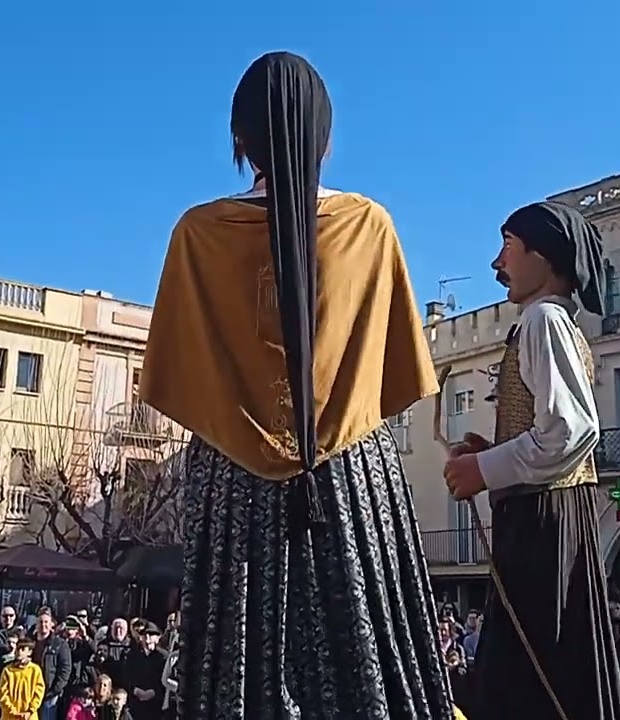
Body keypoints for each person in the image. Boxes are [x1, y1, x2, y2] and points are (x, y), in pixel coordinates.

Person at [140, 51, 454, 719]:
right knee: (363, 646)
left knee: (235, 652)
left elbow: (175, 373)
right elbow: (396, 363)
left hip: (230, 478)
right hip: (346, 469)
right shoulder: (369, 225)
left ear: (239, 139)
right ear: (326, 136)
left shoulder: (197, 233)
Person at [442, 201, 620, 720]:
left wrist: (484, 470)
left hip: (543, 519)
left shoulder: (544, 319)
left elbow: (571, 429)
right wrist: (490, 454)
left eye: (507, 247)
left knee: (530, 674)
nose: (496, 265)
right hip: (544, 513)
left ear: (543, 258)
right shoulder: (549, 323)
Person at [0, 640, 45, 720]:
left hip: (29, 716)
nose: (19, 652)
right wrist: (13, 711)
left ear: (29, 652)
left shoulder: (35, 670)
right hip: (10, 716)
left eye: (23, 649)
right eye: (17, 649)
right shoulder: (8, 670)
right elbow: (2, 694)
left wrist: (30, 710)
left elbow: (39, 693)